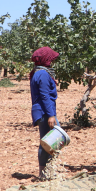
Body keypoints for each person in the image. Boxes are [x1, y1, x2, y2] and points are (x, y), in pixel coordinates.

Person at [29, 47, 60, 179]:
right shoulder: (42, 74)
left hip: (43, 111)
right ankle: (44, 173)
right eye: (51, 59)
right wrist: (51, 115)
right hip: (45, 112)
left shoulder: (39, 72)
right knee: (50, 142)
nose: (52, 62)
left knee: (48, 141)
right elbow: (45, 96)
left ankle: (47, 172)